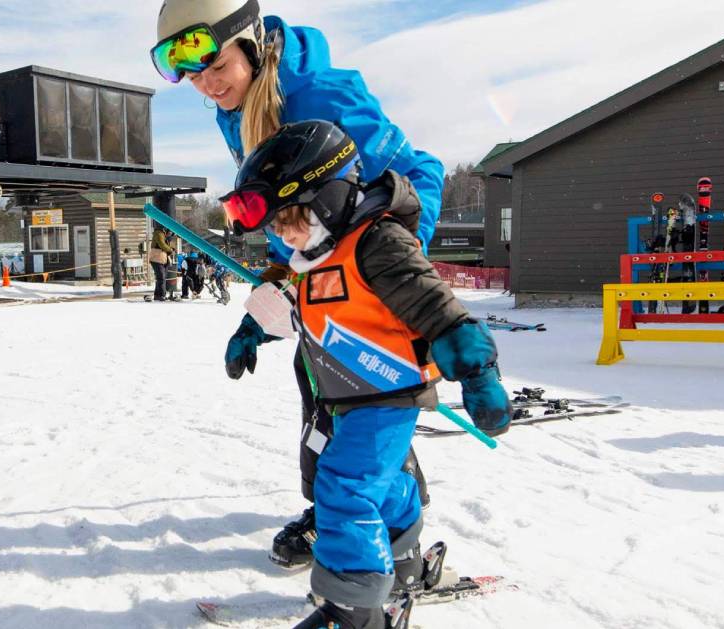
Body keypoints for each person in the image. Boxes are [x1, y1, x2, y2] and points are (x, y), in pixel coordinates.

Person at [151, 0, 446, 570]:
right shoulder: (237, 104)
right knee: (320, 385)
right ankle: (347, 507)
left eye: (216, 68)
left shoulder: (314, 99)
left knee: (362, 392)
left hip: (388, 231)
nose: (206, 85)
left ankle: (377, 512)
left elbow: (396, 183)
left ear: (251, 45)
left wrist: (388, 282)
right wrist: (275, 291)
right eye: (191, 75)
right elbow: (299, 209)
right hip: (326, 249)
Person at [222, 120, 510, 628]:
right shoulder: (314, 253)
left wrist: (479, 375)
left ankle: (352, 608)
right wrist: (252, 330)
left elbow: (441, 311)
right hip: (349, 398)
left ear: (330, 198)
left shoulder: (378, 244)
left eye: (291, 219)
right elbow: (295, 306)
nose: (284, 235)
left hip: (389, 397)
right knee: (377, 484)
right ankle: (403, 559)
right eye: (275, 227)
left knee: (343, 486)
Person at [149, 225, 174, 301]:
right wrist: (170, 249)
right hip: (157, 258)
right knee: (161, 277)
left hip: (163, 259)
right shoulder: (158, 233)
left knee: (161, 278)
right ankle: (161, 295)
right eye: (169, 232)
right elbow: (162, 245)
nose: (169, 234)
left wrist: (170, 247)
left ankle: (157, 295)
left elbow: (166, 246)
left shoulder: (164, 234)